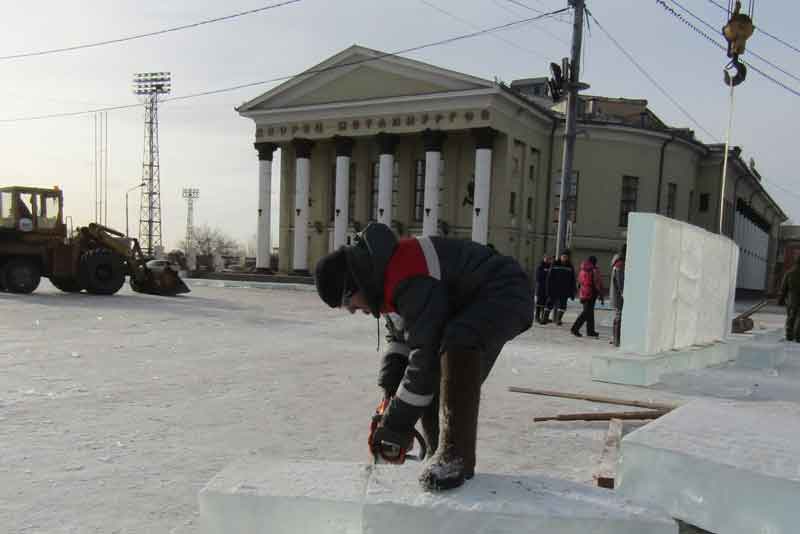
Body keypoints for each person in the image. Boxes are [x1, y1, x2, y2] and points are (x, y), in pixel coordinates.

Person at [314, 223, 533, 491]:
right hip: (474, 299)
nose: (351, 311)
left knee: (457, 343)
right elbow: (401, 338)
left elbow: (425, 357)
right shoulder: (382, 276)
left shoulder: (405, 273)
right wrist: (390, 387)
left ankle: (454, 458)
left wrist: (396, 423)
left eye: (347, 303)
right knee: (435, 375)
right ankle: (436, 453)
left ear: (354, 284)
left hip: (505, 290)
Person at [571, 256, 604, 338]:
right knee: (587, 312)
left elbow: (579, 281)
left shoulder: (582, 269)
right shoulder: (594, 270)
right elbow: (597, 282)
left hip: (583, 292)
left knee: (589, 312)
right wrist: (600, 293)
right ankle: (575, 328)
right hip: (591, 292)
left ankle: (590, 331)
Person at [545, 250, 576, 326]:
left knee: (563, 305)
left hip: (564, 290)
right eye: (563, 256)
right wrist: (548, 288)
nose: (564, 258)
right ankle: (545, 318)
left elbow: (572, 280)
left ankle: (558, 320)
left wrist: (572, 291)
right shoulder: (555, 264)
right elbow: (549, 277)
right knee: (549, 303)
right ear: (561, 256)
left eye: (566, 257)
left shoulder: (570, 266)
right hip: (554, 289)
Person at [779, 255, 800, 342]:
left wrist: (781, 300)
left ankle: (789, 336)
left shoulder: (789, 273)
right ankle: (798, 336)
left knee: (791, 318)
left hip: (792, 300)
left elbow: (783, 288)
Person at [609, 245, 626, 347]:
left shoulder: (618, 262)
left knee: (618, 316)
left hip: (617, 294)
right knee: (619, 316)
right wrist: (623, 292)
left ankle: (615, 338)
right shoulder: (620, 264)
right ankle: (616, 340)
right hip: (619, 295)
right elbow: (620, 281)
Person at [534, 255, 552, 324]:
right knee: (539, 303)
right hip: (541, 288)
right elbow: (538, 277)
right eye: (546, 259)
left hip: (548, 289)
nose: (547, 260)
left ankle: (544, 317)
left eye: (549, 259)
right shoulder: (540, 266)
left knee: (546, 304)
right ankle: (537, 317)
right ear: (544, 259)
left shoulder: (551, 267)